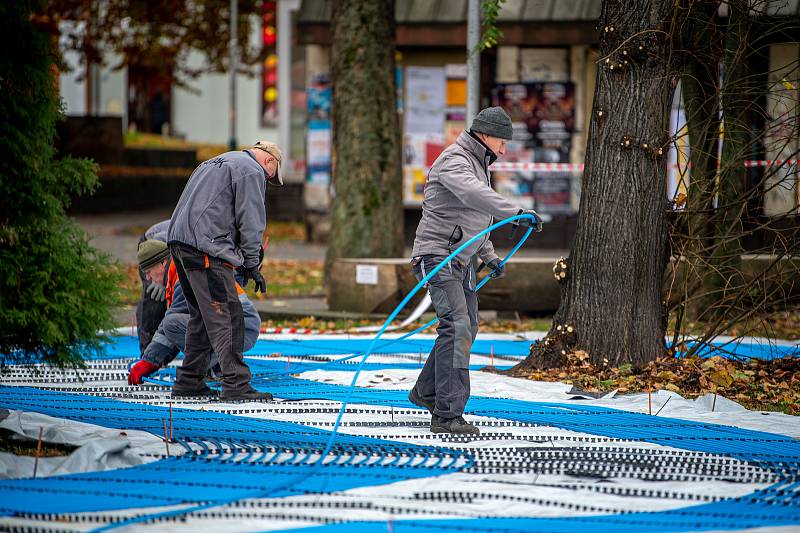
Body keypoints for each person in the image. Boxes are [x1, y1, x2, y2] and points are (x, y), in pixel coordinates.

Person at [408, 107, 542, 435]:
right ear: (484, 135)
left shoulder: (479, 164)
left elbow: (474, 219)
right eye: (502, 141)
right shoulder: (455, 160)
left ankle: (427, 392)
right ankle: (447, 415)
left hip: (461, 260)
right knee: (457, 326)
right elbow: (473, 195)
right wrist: (517, 211)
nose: (504, 149)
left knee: (466, 325)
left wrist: (490, 255)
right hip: (437, 257)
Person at [167, 140, 282, 401]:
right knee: (229, 317)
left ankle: (189, 380)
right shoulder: (252, 171)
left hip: (180, 244)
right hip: (207, 248)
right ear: (269, 161)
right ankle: (236, 384)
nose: (266, 181)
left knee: (202, 317)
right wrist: (252, 263)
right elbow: (251, 220)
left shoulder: (214, 162)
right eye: (270, 177)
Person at [128, 240, 262, 386]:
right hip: (238, 325)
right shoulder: (180, 271)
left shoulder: (182, 276)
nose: (148, 278)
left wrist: (149, 361)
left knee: (171, 324)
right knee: (179, 324)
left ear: (163, 263)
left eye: (148, 271)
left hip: (241, 328)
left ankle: (213, 368)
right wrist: (152, 360)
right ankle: (217, 366)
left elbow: (168, 330)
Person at [135, 220, 171, 353]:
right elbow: (156, 246)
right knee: (155, 297)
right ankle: (148, 353)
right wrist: (158, 279)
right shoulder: (182, 235)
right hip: (151, 246)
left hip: (167, 256)